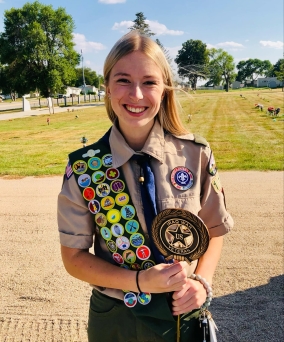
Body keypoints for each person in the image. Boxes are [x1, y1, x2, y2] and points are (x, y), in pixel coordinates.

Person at [57, 31, 234, 342]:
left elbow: (214, 229)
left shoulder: (195, 154)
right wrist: (138, 281)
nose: (136, 95)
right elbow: (73, 257)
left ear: (164, 90)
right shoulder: (85, 168)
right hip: (116, 318)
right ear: (107, 89)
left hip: (181, 310)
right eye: (123, 80)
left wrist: (201, 282)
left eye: (149, 82)